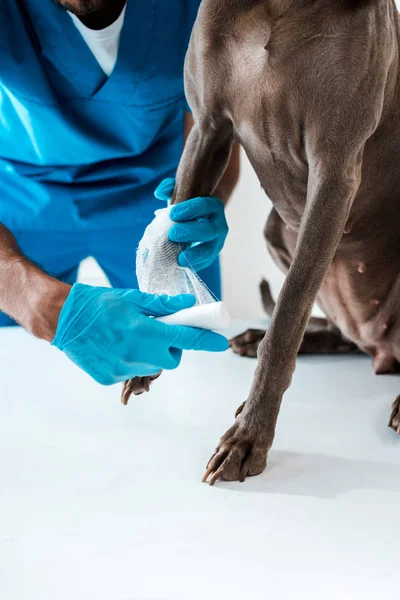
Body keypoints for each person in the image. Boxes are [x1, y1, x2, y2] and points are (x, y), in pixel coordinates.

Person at [0, 0, 240, 385]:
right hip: (17, 203)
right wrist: (37, 302)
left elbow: (216, 123)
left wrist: (204, 199)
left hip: (158, 200)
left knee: (196, 371)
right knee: (12, 376)